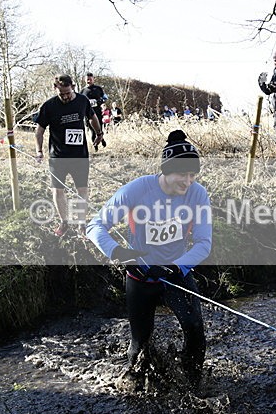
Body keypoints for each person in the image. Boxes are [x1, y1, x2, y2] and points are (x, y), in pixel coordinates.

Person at [86, 130, 212, 391]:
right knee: (140, 343)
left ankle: (192, 387)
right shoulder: (138, 189)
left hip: (176, 275)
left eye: (192, 175)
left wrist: (177, 267)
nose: (188, 181)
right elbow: (95, 225)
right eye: (182, 174)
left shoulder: (197, 194)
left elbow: (203, 243)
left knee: (195, 330)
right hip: (140, 277)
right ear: (166, 170)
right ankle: (134, 388)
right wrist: (118, 253)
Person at [34, 74, 105, 236]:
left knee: (82, 189)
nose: (65, 96)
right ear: (55, 89)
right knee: (57, 191)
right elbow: (39, 131)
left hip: (79, 155)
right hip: (58, 157)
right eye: (61, 93)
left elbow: (92, 117)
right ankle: (64, 222)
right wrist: (39, 151)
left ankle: (81, 223)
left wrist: (99, 133)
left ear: (72, 87)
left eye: (68, 92)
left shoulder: (82, 101)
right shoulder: (49, 106)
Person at [81, 72, 108, 147]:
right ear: (84, 80)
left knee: (99, 129)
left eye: (90, 79)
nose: (88, 81)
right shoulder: (82, 91)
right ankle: (95, 147)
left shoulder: (98, 88)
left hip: (98, 113)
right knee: (92, 131)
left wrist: (100, 101)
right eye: (87, 79)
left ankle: (101, 138)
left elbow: (106, 97)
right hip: (88, 115)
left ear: (93, 79)